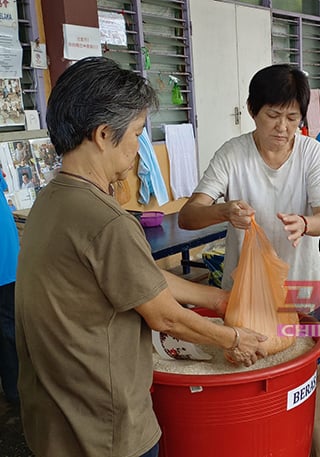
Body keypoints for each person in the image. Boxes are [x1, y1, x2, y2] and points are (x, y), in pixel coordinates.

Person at [15, 57, 268, 457]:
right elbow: (163, 315)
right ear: (102, 134)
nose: (138, 149)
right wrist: (232, 338)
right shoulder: (107, 220)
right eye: (136, 134)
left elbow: (140, 280)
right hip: (103, 428)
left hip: (54, 417)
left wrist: (219, 300)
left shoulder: (52, 199)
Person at [179, 64, 320, 457]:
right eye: (272, 115)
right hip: (247, 291)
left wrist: (305, 222)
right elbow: (189, 215)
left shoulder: (311, 152)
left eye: (292, 118)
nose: (283, 127)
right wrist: (224, 211)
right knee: (248, 370)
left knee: (305, 374)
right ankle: (259, 444)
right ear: (252, 110)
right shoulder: (233, 153)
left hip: (303, 284)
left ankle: (318, 450)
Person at [0, 172, 19, 406]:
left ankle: (15, 391)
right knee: (8, 327)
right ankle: (15, 390)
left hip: (7, 264)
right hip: (8, 262)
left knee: (8, 328)